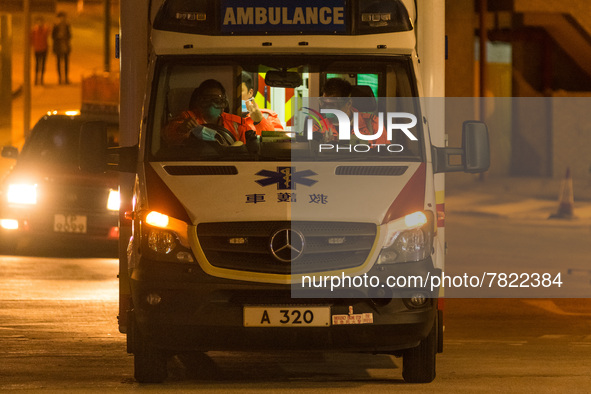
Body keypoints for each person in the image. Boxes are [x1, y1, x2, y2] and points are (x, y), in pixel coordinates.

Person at [164, 79, 269, 146]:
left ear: (224, 103)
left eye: (216, 100)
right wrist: (182, 129)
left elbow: (260, 144)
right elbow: (168, 135)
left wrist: (259, 120)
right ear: (199, 101)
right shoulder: (187, 117)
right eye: (207, 99)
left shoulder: (237, 123)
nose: (212, 104)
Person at [313, 77, 384, 144]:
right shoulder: (318, 127)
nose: (327, 109)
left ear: (349, 103)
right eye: (324, 103)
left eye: (333, 104)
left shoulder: (373, 124)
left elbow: (384, 153)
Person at [52, 12, 72, 84]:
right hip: (58, 47)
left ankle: (66, 78)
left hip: (65, 46)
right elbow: (53, 36)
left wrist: (66, 36)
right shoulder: (55, 26)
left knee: (66, 63)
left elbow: (70, 35)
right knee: (58, 63)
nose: (62, 19)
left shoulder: (67, 26)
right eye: (61, 17)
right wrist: (58, 36)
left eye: (64, 17)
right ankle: (60, 78)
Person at [31, 16, 50, 86]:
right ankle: (36, 79)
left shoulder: (44, 29)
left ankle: (41, 79)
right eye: (38, 22)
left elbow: (48, 32)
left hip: (44, 49)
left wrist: (46, 27)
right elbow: (31, 38)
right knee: (37, 64)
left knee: (43, 65)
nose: (40, 23)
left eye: (41, 22)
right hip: (37, 49)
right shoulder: (34, 30)